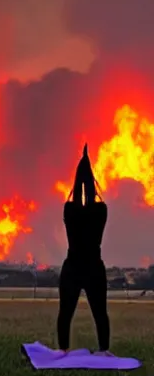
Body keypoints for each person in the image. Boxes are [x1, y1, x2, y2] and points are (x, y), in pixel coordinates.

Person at [56, 144, 111, 356]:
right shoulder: (101, 210)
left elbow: (75, 204)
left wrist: (80, 179)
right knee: (100, 314)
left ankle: (63, 350)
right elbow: (93, 203)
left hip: (73, 266)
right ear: (92, 183)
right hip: (94, 267)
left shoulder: (69, 209)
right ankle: (103, 350)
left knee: (65, 313)